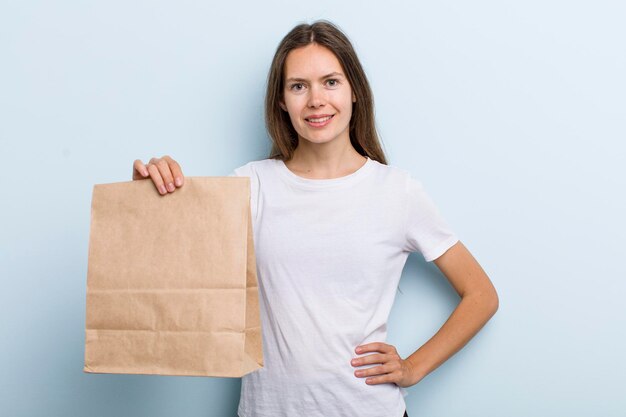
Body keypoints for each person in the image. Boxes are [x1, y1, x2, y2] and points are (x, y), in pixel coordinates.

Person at [131, 20, 498, 417]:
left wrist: (413, 367)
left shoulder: (397, 192)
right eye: (298, 86)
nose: (316, 100)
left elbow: (481, 295)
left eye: (331, 82)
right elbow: (175, 280)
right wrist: (150, 199)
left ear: (354, 91)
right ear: (281, 101)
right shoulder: (250, 184)